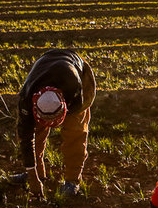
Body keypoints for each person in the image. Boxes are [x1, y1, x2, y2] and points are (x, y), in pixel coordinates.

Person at [11, 49, 96, 198]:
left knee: (75, 133)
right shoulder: (26, 99)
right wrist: (32, 176)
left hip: (76, 72)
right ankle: (36, 172)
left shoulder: (73, 88)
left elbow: (76, 133)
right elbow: (25, 138)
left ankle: (72, 181)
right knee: (35, 133)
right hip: (46, 65)